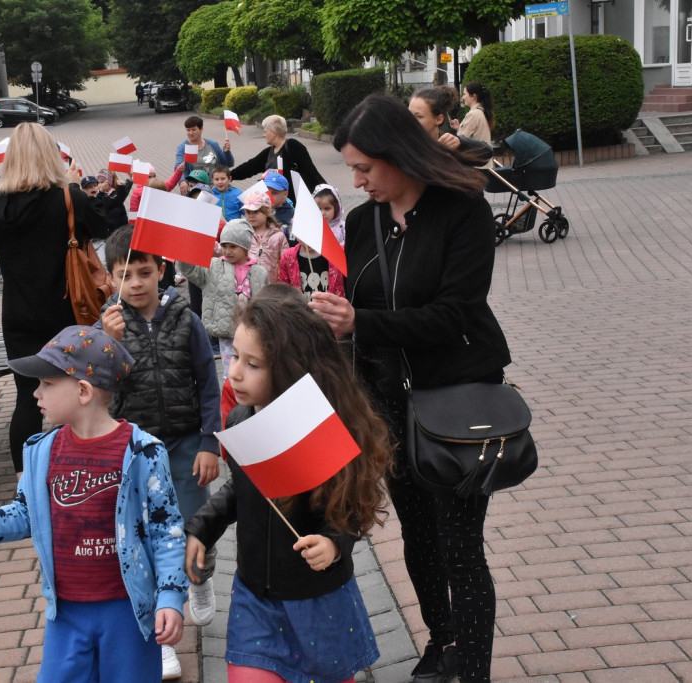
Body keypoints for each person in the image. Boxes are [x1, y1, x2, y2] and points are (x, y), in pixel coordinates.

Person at [309, 94, 511, 683]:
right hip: (389, 403)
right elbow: (360, 312)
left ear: (399, 156)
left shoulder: (463, 208)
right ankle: (442, 644)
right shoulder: (363, 220)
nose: (357, 180)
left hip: (456, 400)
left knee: (460, 546)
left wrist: (361, 322)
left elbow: (454, 314)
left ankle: (472, 670)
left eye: (365, 168)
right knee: (419, 540)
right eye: (351, 168)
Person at [0, 325, 187, 682]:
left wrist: (170, 598)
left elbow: (168, 531)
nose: (36, 393)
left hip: (127, 611)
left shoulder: (142, 451)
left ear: (83, 390)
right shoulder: (41, 451)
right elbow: (25, 513)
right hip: (66, 614)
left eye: (48, 384)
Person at [185, 296, 392, 683]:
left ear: (290, 369)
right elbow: (242, 486)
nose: (235, 374)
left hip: (318, 600)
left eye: (253, 364)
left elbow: (348, 506)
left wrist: (333, 544)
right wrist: (202, 525)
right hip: (255, 599)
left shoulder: (317, 431)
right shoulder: (239, 417)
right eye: (234, 357)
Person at [98, 227, 223, 678]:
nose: (134, 283)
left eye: (144, 272)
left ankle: (200, 579)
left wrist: (211, 441)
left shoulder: (186, 319)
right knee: (145, 544)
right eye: (124, 274)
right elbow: (95, 388)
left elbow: (209, 383)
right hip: (136, 450)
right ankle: (161, 641)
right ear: (111, 277)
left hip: (187, 444)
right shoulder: (107, 324)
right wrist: (102, 340)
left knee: (194, 529)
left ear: (161, 271)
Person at [0, 122, 105, 474]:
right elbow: (101, 228)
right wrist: (72, 185)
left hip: (17, 313)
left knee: (27, 397)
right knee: (76, 393)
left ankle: (24, 485)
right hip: (65, 310)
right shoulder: (69, 198)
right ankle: (79, 475)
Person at [177, 220, 268, 377]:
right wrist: (185, 251)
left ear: (245, 247)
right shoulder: (213, 266)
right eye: (224, 246)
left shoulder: (259, 272)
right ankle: (231, 395)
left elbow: (264, 300)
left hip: (250, 328)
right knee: (230, 370)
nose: (227, 251)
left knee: (250, 365)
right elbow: (191, 271)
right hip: (225, 329)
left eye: (233, 246)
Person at [230, 114, 325, 206]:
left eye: (265, 131)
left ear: (274, 132)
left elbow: (310, 171)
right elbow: (250, 166)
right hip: (276, 204)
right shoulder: (269, 152)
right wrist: (230, 175)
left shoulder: (293, 146)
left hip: (296, 202)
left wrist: (324, 192)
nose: (264, 135)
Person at [409, 87, 494, 168]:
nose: (410, 120)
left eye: (418, 116)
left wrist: (460, 142)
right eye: (409, 114)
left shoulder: (448, 147)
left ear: (439, 119)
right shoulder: (403, 147)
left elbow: (486, 152)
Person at [175, 115, 233, 195]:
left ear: (201, 129)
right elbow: (178, 166)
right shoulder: (183, 148)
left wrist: (227, 152)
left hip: (216, 190)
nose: (190, 133)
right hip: (196, 192)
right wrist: (182, 181)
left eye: (193, 130)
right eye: (188, 130)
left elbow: (229, 164)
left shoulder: (213, 145)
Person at [240, 190, 288, 284]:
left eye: (256, 211)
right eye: (248, 212)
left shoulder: (279, 236)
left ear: (267, 212)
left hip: (271, 287)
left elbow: (286, 262)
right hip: (247, 286)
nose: (251, 216)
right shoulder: (243, 233)